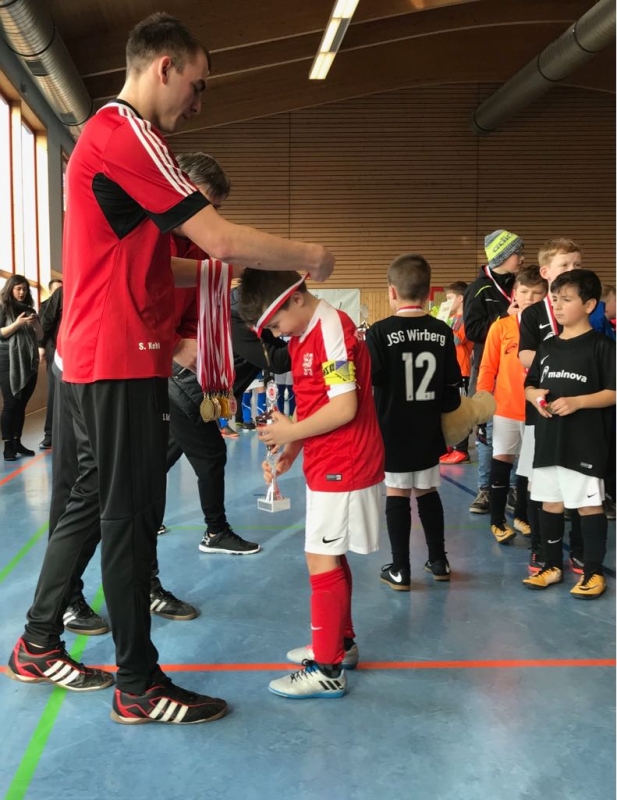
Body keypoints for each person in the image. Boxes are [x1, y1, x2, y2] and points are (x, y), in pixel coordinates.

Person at [6, 12, 333, 726]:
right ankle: (137, 684)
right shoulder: (127, 134)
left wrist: (220, 281)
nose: (199, 101)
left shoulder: (121, 139)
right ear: (165, 66)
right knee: (128, 516)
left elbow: (169, 268)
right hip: (115, 356)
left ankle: (36, 642)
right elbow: (215, 237)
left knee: (93, 500)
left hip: (104, 354)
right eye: (198, 83)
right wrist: (306, 256)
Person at [238, 269, 384, 698]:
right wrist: (291, 448)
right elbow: (316, 405)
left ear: (296, 299)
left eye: (275, 323)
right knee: (329, 554)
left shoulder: (331, 328)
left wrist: (290, 432)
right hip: (327, 460)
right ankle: (339, 643)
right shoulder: (302, 334)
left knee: (320, 558)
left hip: (346, 460)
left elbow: (344, 407)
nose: (276, 333)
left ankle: (327, 668)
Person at [166, 151, 260, 555]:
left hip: (174, 376)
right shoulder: (149, 235)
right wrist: (174, 345)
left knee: (168, 452)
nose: (207, 216)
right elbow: (131, 301)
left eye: (214, 209)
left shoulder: (199, 249)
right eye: (202, 203)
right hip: (143, 368)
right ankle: (214, 531)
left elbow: (196, 311)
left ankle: (148, 520)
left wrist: (192, 346)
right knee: (207, 453)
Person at [366, 254, 461, 590]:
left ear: (392, 292)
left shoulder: (379, 332)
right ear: (429, 293)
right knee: (427, 490)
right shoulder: (442, 331)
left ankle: (400, 568)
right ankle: (439, 560)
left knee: (397, 492)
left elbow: (373, 380)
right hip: (428, 427)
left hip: (392, 427)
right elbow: (452, 385)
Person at [522, 269, 615, 598]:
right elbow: (530, 386)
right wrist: (534, 395)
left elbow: (613, 392)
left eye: (566, 300)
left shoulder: (602, 346)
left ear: (589, 305)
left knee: (588, 506)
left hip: (584, 443)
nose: (558, 306)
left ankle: (593, 572)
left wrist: (578, 402)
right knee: (551, 503)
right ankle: (551, 566)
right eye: (555, 299)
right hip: (550, 440)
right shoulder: (547, 346)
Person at [517, 238, 583, 573]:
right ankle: (540, 546)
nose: (572, 270)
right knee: (538, 480)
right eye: (564, 265)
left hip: (582, 410)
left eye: (577, 264)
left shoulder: (588, 307)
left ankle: (581, 548)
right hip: (540, 409)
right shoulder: (533, 313)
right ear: (545, 272)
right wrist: (560, 359)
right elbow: (523, 355)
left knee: (581, 479)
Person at [476, 266, 548, 544]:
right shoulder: (501, 327)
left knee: (528, 468)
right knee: (502, 462)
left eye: (537, 293)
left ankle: (521, 516)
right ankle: (497, 521)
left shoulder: (548, 329)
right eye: (524, 291)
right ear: (514, 293)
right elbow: (487, 367)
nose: (529, 298)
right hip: (505, 408)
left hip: (536, 410)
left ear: (545, 296)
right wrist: (482, 405)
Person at [464, 230, 524, 513]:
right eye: (517, 253)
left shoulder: (520, 286)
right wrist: (503, 317)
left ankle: (510, 488)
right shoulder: (478, 289)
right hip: (487, 368)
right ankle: (485, 490)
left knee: (514, 430)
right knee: (487, 433)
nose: (521, 258)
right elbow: (472, 330)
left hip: (516, 370)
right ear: (501, 256)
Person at [0, 275, 43, 461]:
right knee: (11, 403)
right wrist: (18, 324)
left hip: (28, 360)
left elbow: (40, 336)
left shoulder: (29, 310)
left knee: (21, 404)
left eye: (24, 289)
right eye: (18, 288)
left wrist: (36, 324)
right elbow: (1, 334)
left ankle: (17, 441)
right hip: (7, 359)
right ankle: (8, 445)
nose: (22, 292)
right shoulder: (3, 308)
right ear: (10, 289)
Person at [439, 281, 472, 464]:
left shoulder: (467, 318)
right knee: (448, 409)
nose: (447, 302)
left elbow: (457, 341)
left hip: (462, 370)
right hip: (449, 368)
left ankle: (462, 450)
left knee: (460, 410)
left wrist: (443, 325)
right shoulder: (452, 318)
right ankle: (450, 444)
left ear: (460, 299)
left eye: (450, 298)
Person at [37, 278, 63, 450]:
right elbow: (45, 324)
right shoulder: (49, 303)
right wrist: (41, 346)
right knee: (54, 393)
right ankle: (50, 435)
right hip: (56, 352)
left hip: (75, 352)